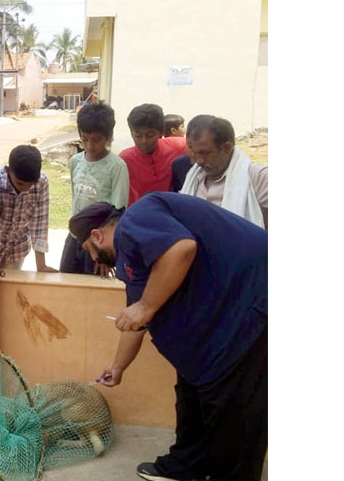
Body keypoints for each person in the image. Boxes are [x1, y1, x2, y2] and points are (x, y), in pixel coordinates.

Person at [84, 192, 267, 481]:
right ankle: (187, 466)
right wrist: (118, 367)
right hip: (215, 323)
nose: (94, 259)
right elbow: (137, 322)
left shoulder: (136, 219)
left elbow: (181, 248)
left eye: (90, 250)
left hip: (253, 300)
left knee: (233, 406)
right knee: (192, 389)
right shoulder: (133, 254)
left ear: (97, 236)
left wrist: (146, 306)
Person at [60, 102, 129, 276]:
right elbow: (75, 197)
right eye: (85, 139)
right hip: (75, 237)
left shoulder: (117, 166)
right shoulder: (75, 161)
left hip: (98, 243)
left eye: (96, 140)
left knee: (92, 287)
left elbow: (118, 212)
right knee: (65, 280)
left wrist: (104, 255)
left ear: (108, 137)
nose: (90, 145)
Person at [178, 115, 268, 229]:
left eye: (205, 153)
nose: (199, 161)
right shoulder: (194, 176)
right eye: (196, 153)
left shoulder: (258, 177)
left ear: (227, 147)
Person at [0, 145, 57, 272]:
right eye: (20, 183)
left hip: (17, 250)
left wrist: (41, 265)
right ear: (8, 171)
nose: (26, 189)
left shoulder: (41, 183)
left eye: (31, 184)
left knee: (12, 282)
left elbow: (40, 224)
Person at [119, 104, 187, 206]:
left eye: (150, 135)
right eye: (138, 136)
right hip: (139, 211)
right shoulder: (124, 160)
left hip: (172, 209)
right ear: (131, 133)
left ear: (161, 133)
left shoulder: (177, 147)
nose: (144, 141)